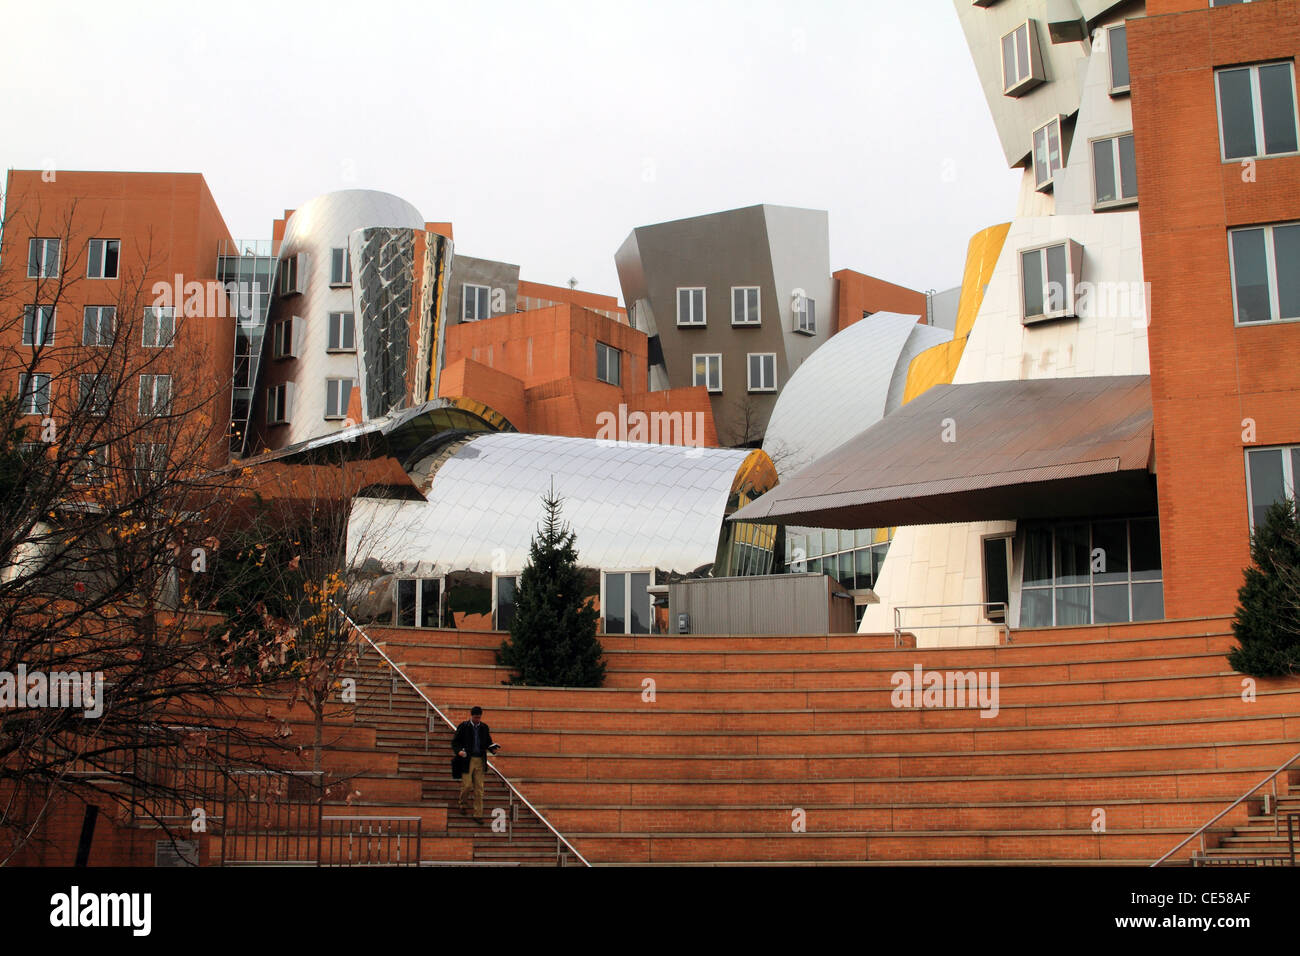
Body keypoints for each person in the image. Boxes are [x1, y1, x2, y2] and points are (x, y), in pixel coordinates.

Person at [452, 706, 499, 819]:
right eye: (475, 717)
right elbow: (455, 742)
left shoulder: (484, 727)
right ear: (471, 716)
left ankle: (478, 814)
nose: (477, 719)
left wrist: (492, 748)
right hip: (467, 759)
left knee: (479, 788)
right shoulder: (464, 726)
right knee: (467, 785)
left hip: (480, 759)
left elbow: (488, 741)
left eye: (479, 717)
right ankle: (463, 803)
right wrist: (459, 751)